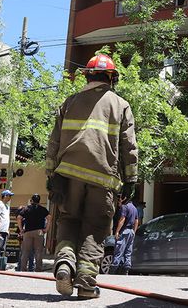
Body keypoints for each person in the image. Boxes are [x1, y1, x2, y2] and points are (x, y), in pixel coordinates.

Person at [46, 54, 138, 299]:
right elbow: (129, 147)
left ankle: (65, 265)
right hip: (102, 179)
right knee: (94, 229)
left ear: (87, 75)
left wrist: (51, 174)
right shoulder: (120, 105)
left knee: (68, 221)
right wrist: (131, 179)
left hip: (67, 176)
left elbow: (53, 142)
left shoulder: (69, 102)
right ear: (111, 77)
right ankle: (86, 285)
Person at [17, 193, 50, 272]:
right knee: (38, 251)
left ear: (31, 200)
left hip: (28, 232)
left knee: (25, 251)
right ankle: (38, 268)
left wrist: (21, 229)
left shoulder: (26, 209)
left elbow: (19, 218)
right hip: (39, 231)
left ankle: (23, 268)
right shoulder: (43, 209)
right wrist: (46, 229)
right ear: (39, 201)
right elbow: (49, 218)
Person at [109, 193, 138, 275]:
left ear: (124, 198)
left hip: (124, 231)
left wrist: (117, 231)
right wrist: (134, 232)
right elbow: (136, 221)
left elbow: (122, 219)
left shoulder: (124, 207)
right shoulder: (134, 208)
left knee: (119, 251)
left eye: (120, 198)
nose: (119, 201)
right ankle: (126, 271)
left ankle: (112, 271)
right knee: (128, 252)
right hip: (131, 231)